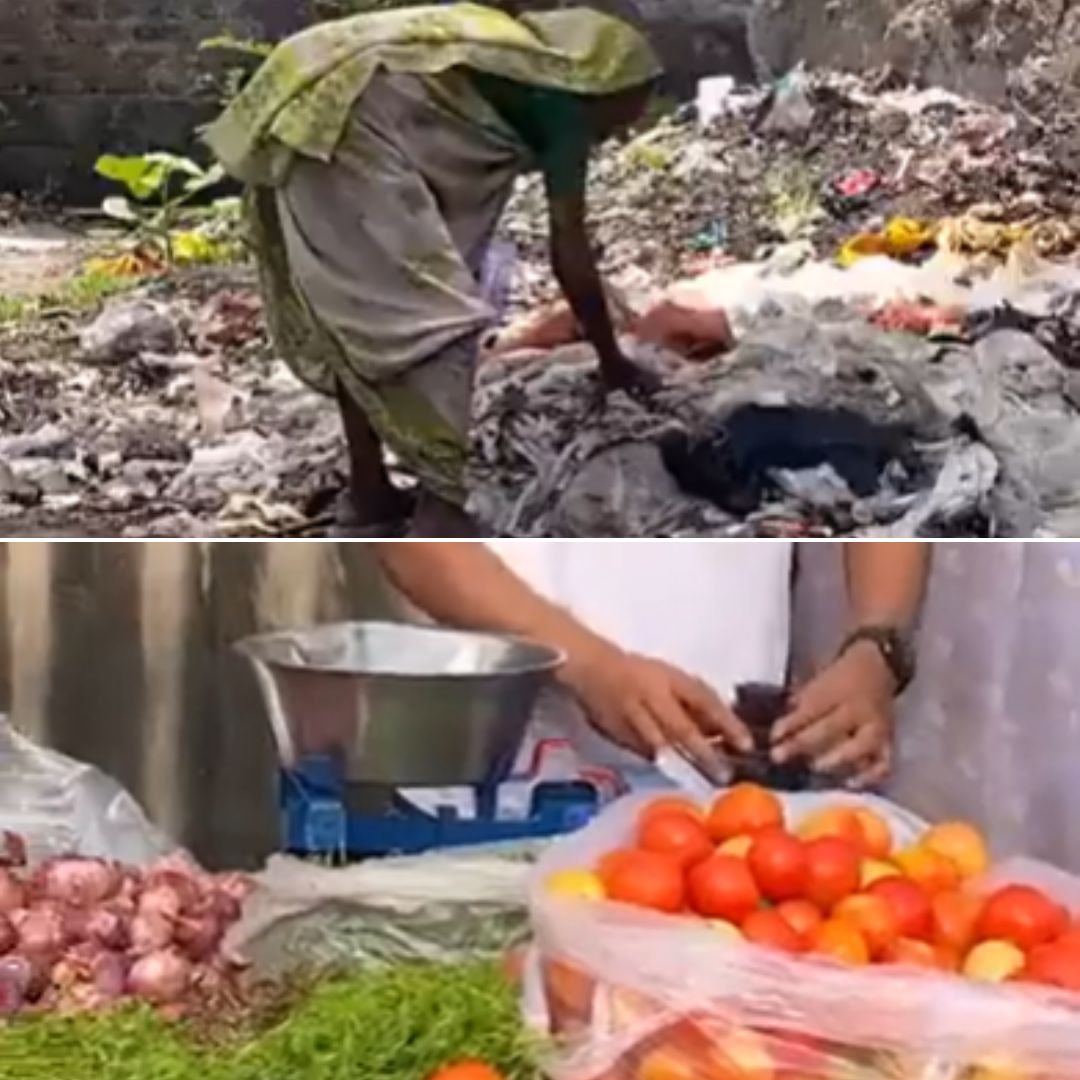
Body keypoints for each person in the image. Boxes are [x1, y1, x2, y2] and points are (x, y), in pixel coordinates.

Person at [205, 4, 664, 538]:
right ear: (600, 88)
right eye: (620, 118)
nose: (612, 137)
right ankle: (442, 509)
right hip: (346, 124)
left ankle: (370, 490)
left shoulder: (504, 60)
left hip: (315, 115)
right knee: (430, 323)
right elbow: (570, 248)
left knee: (363, 317)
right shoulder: (561, 103)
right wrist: (613, 362)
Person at [375, 541, 930, 788]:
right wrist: (591, 664)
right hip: (497, 770)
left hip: (713, 776)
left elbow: (888, 488)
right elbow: (408, 541)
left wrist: (876, 644)